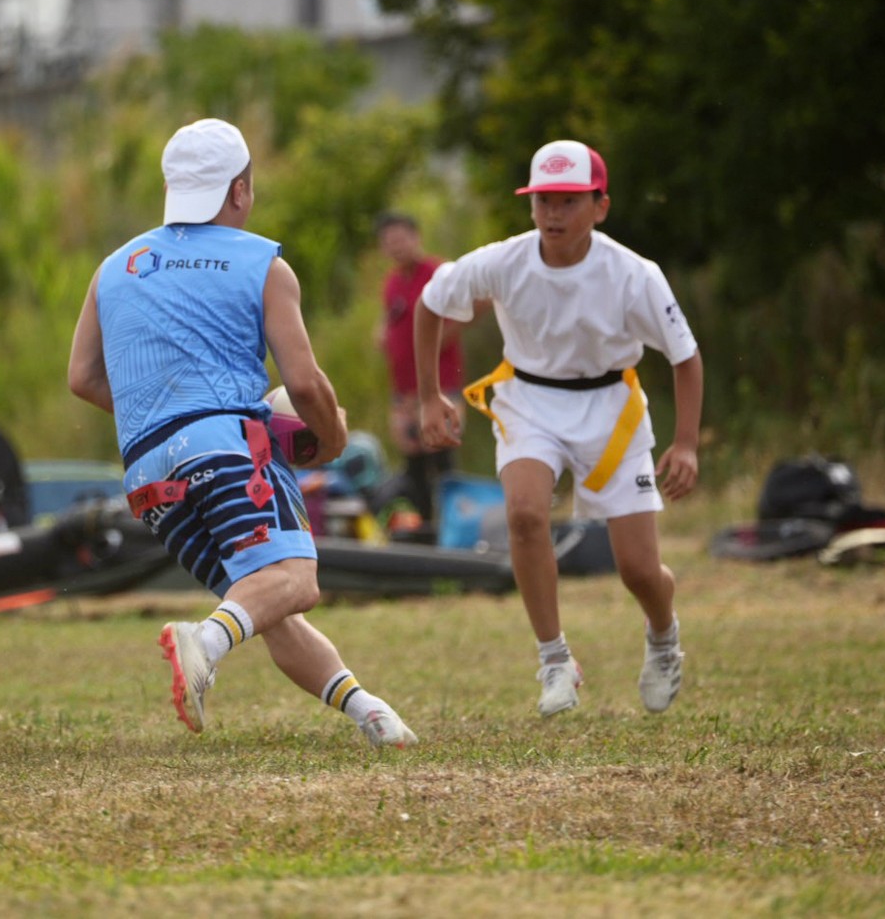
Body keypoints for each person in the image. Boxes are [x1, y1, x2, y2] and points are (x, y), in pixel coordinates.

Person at [68, 118, 418, 748]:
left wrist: (163, 416)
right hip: (224, 445)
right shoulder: (263, 264)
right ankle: (202, 643)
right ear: (240, 190)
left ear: (172, 189)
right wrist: (331, 439)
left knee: (261, 600)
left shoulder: (115, 268)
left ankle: (369, 713)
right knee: (296, 581)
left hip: (147, 473)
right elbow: (304, 384)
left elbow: (83, 378)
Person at [413, 140, 702, 717]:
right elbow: (430, 303)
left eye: (570, 201)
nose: (553, 213)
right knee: (523, 515)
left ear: (601, 206)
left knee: (639, 570)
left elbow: (685, 358)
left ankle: (663, 637)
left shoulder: (634, 274)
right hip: (529, 401)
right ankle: (554, 661)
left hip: (612, 410)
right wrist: (428, 396)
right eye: (543, 200)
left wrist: (687, 443)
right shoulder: (504, 260)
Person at [374, 212, 466, 524]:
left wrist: (444, 336)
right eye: (389, 242)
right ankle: (425, 530)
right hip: (404, 392)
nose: (396, 247)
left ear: (416, 237)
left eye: (401, 239)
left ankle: (453, 528)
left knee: (442, 457)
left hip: (440, 386)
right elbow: (390, 317)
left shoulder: (439, 272)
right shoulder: (392, 282)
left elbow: (475, 303)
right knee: (413, 465)